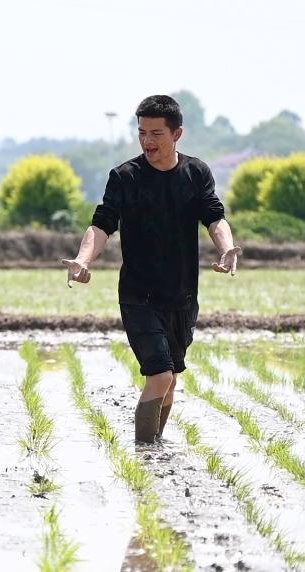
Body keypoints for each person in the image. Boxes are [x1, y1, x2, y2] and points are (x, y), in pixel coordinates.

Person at [62, 94, 239, 443]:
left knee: (170, 380)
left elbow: (214, 217)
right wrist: (83, 260)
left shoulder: (196, 173)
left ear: (177, 134)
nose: (147, 141)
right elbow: (101, 226)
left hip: (183, 296)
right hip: (138, 296)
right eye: (142, 132)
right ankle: (144, 451)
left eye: (156, 133)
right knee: (160, 376)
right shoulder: (125, 177)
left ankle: (154, 448)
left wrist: (227, 248)